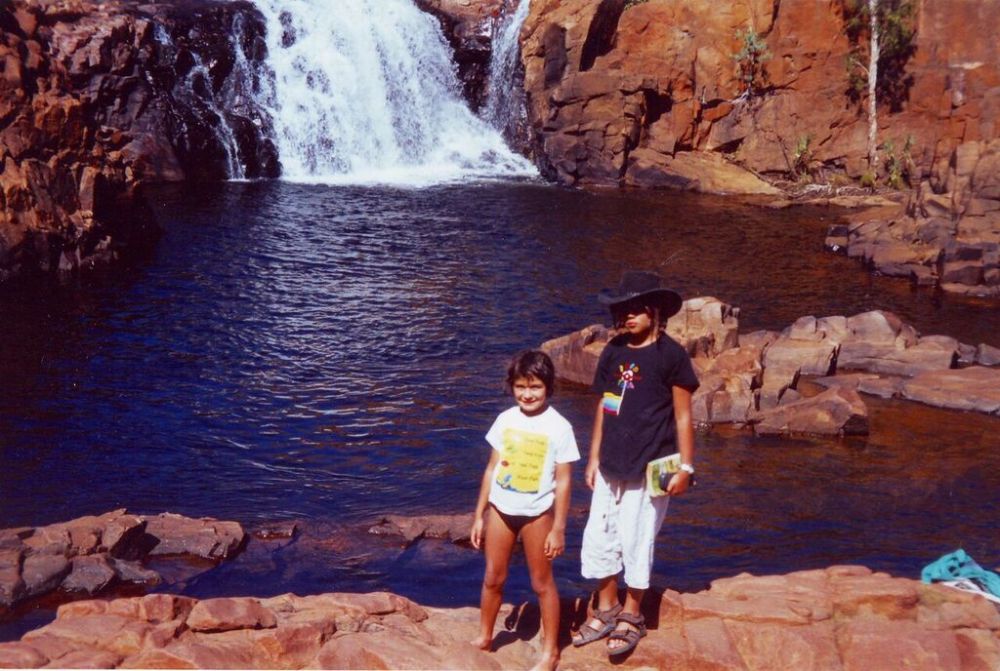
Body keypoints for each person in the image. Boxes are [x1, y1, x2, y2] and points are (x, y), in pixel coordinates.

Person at [571, 270, 699, 658]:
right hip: (611, 462)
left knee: (637, 537)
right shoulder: (613, 351)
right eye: (622, 310)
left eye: (636, 310)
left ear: (654, 311)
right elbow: (606, 406)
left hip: (654, 464)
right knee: (600, 537)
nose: (628, 317)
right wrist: (593, 456)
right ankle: (607, 607)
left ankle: (632, 613)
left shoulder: (671, 355)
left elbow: (682, 417)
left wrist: (687, 468)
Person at [470, 350, 580, 671]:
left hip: (538, 514)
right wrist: (479, 514)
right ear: (512, 386)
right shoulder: (506, 420)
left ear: (548, 387)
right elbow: (491, 469)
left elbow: (563, 482)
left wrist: (558, 527)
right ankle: (485, 636)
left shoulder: (559, 427)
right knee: (493, 577)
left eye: (535, 387)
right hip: (501, 510)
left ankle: (551, 652)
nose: (527, 394)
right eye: (521, 386)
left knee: (541, 582)